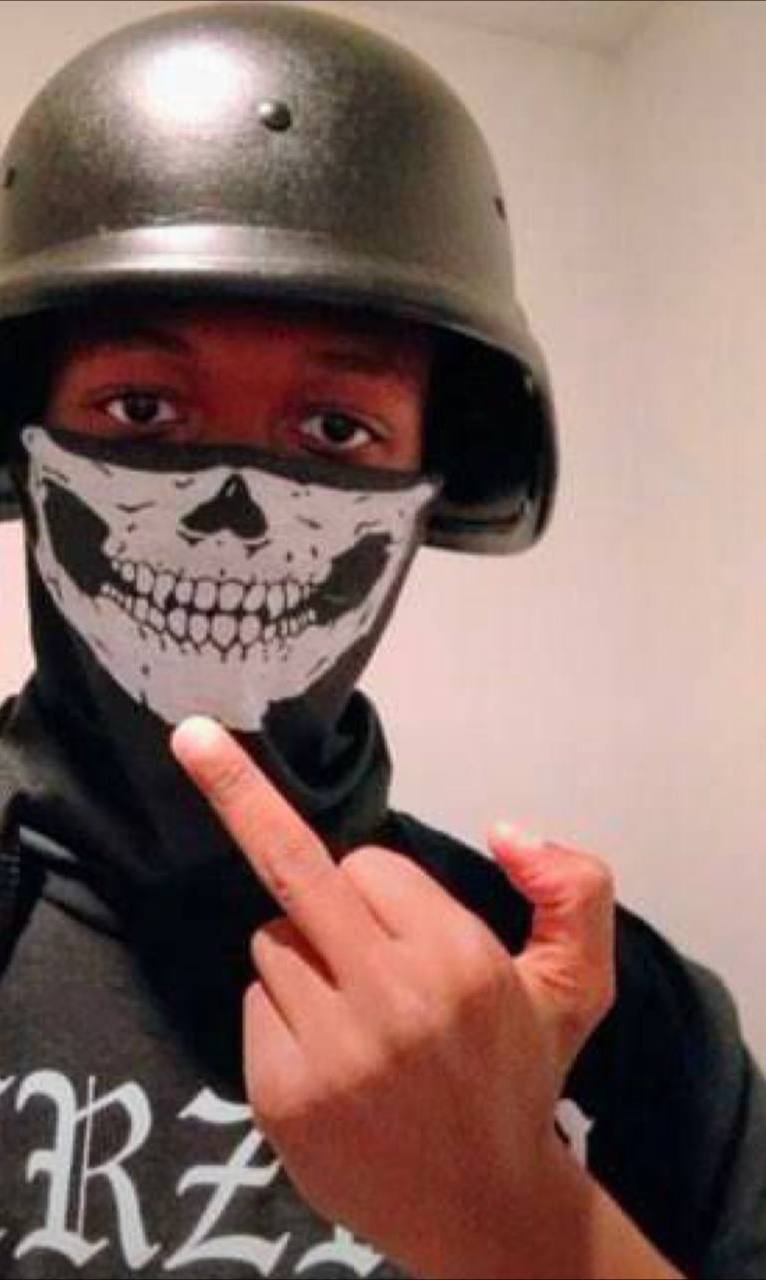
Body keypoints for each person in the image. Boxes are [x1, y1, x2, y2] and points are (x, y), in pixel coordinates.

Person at [0, 4, 763, 1278]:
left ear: (426, 493)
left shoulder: (615, 1011)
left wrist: (519, 1213)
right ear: (27, 450)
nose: (233, 517)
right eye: (140, 409)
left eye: (334, 431)